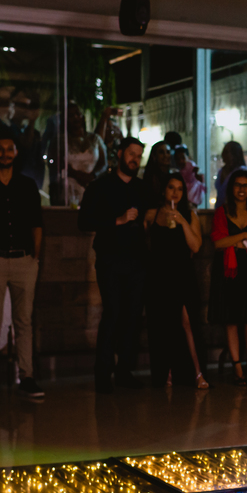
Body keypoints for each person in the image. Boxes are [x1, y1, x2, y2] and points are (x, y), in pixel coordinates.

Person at [0, 130, 45, 404]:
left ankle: (26, 377)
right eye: (0, 149)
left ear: (16, 152)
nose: (5, 153)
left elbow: (37, 224)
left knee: (24, 322)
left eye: (10, 148)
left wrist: (35, 258)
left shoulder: (28, 185)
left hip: (24, 260)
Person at [78, 137, 154, 393]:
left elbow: (151, 216)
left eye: (138, 156)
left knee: (132, 317)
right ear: (120, 154)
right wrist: (117, 220)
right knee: (112, 314)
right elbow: (84, 221)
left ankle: (125, 371)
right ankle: (103, 373)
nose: (135, 159)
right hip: (110, 259)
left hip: (138, 261)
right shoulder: (100, 186)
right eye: (131, 154)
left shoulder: (143, 188)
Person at [144, 172, 208, 390]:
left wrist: (181, 221)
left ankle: (198, 373)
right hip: (159, 276)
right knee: (163, 325)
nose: (176, 193)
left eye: (180, 189)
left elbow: (196, 246)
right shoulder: (152, 215)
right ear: (164, 190)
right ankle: (166, 373)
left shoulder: (189, 216)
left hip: (182, 275)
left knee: (187, 323)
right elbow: (147, 244)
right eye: (172, 188)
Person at [210, 169, 247, 385]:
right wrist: (244, 236)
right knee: (231, 320)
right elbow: (217, 243)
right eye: (237, 185)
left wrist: (233, 241)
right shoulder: (222, 213)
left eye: (245, 185)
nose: (242, 189)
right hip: (228, 271)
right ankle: (237, 366)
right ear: (231, 188)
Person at [214, 141, 247, 210]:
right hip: (219, 211)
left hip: (234, 211)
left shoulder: (242, 171)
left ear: (235, 154)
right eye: (223, 152)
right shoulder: (221, 171)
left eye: (226, 152)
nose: (223, 154)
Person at [142, 141, 173, 206]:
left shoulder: (175, 174)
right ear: (154, 156)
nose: (165, 155)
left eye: (168, 152)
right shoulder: (148, 177)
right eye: (161, 152)